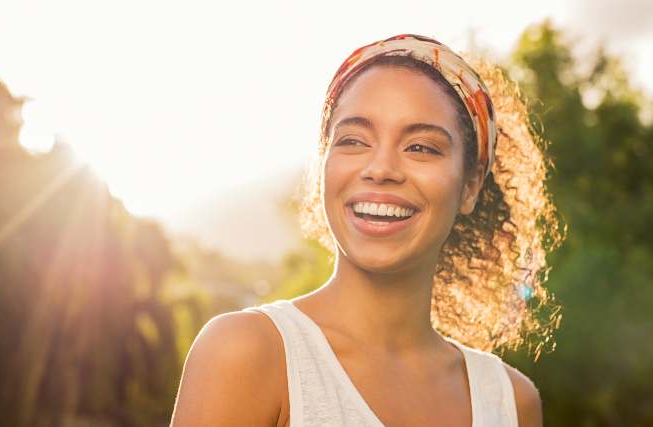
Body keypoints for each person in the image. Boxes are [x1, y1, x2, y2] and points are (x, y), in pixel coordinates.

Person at [170, 33, 563, 427]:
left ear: (471, 185)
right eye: (353, 140)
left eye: (421, 147)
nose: (380, 169)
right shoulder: (247, 353)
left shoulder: (511, 402)